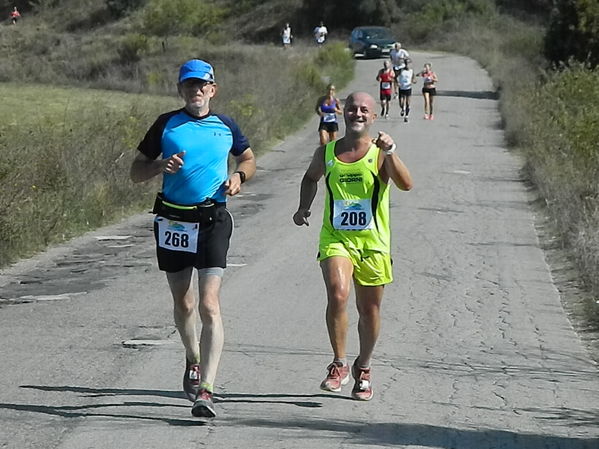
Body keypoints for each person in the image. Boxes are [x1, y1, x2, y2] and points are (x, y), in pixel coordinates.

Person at [130, 59, 256, 418]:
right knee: (184, 305)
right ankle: (192, 358)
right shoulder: (166, 124)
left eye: (202, 85)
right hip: (173, 220)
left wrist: (239, 178)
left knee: (209, 305)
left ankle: (207, 391)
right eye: (189, 85)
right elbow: (135, 172)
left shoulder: (226, 125)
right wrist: (159, 166)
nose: (196, 91)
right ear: (180, 90)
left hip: (213, 218)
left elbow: (248, 159)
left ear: (213, 89)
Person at [293, 91, 413, 401]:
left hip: (373, 243)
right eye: (352, 108)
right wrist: (303, 208)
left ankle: (365, 367)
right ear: (343, 112)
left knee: (369, 309)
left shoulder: (380, 153)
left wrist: (393, 151)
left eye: (364, 110)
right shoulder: (327, 152)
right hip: (337, 239)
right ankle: (339, 363)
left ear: (373, 117)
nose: (357, 114)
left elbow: (406, 184)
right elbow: (310, 178)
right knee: (338, 292)